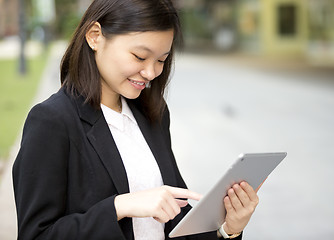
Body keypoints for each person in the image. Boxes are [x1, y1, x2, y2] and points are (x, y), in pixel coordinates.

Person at [12, 0, 259, 239]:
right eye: (140, 57)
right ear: (95, 36)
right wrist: (120, 206)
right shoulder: (52, 122)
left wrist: (227, 229)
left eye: (161, 60)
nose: (151, 72)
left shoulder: (153, 115)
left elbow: (176, 221)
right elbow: (36, 234)